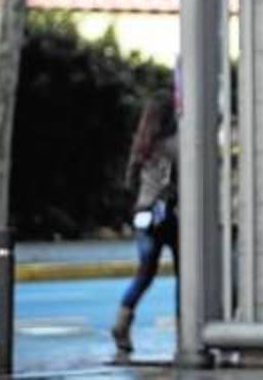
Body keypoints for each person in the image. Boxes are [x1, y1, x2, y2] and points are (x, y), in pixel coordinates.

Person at [110, 90, 179, 360]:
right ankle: (185, 334)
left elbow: (129, 182)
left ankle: (121, 323)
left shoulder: (142, 146)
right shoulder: (176, 144)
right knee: (185, 275)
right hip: (171, 216)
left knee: (145, 273)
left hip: (144, 215)